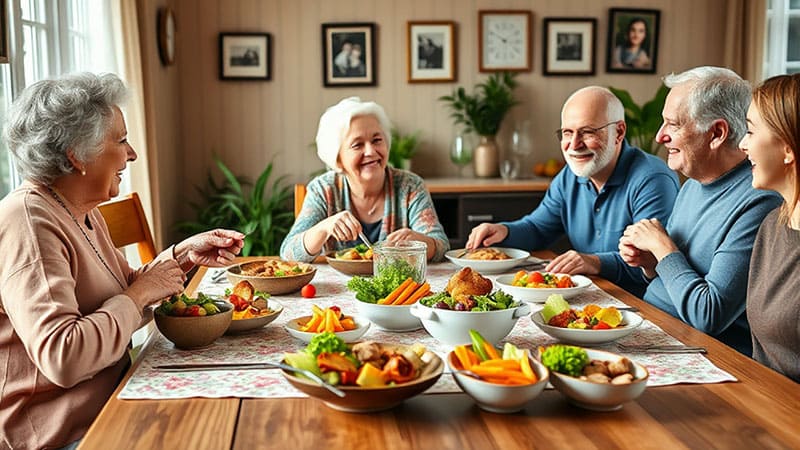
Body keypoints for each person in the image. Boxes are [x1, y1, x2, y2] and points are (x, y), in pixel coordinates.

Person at [0, 73, 245, 449]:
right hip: (62, 435)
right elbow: (63, 356)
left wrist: (181, 257)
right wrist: (140, 293)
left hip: (114, 399)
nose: (132, 154)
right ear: (77, 155)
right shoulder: (28, 222)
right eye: (122, 140)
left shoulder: (77, 206)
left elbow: (125, 291)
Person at [619, 67, 783, 356]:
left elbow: (708, 315)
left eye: (673, 125)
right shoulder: (693, 183)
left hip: (702, 352)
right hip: (654, 326)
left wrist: (664, 249)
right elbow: (676, 278)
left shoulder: (759, 201)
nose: (659, 137)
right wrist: (651, 263)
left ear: (717, 133)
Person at [466, 86, 679, 297]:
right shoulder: (570, 176)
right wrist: (504, 230)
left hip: (642, 306)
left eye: (587, 132)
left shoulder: (652, 178)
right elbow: (539, 229)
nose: (574, 145)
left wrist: (594, 262)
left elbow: (653, 260)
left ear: (619, 132)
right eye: (567, 133)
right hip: (591, 295)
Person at [280, 97, 449, 262]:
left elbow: (442, 246)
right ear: (337, 159)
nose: (371, 151)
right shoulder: (323, 190)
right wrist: (324, 228)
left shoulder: (410, 186)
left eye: (377, 140)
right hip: (338, 287)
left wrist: (421, 243)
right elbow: (288, 253)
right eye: (357, 145)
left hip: (399, 288)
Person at [738, 74, 800, 381]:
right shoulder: (771, 225)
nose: (742, 144)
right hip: (762, 402)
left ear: (788, 149)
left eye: (750, 131)